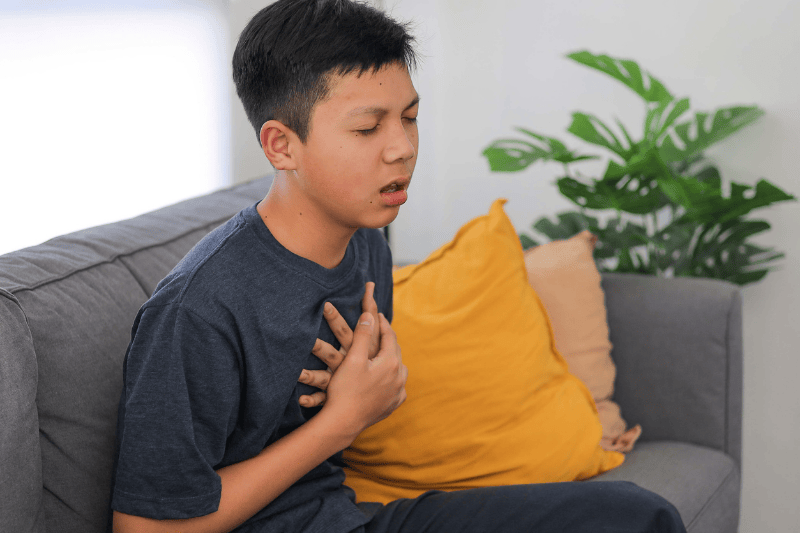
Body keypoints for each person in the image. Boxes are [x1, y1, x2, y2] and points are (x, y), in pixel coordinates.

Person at [109, 1, 687, 532]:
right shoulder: (200, 308)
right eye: (367, 128)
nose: (402, 148)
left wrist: (368, 393)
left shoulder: (366, 242)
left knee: (637, 516)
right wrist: (339, 423)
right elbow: (145, 529)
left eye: (408, 118)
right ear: (281, 146)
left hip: (345, 517)